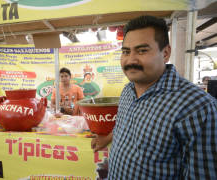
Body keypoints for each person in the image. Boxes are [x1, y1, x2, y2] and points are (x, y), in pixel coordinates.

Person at [91, 15, 217, 179]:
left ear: (165, 53)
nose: (131, 60)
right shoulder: (128, 91)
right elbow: (123, 127)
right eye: (126, 52)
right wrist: (106, 139)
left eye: (142, 50)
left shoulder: (197, 106)